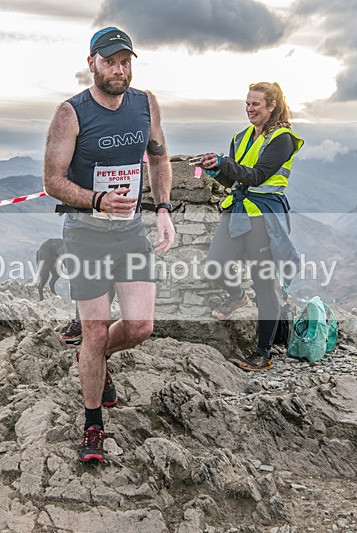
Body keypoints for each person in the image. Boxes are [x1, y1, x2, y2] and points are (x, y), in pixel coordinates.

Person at [43, 27, 175, 463]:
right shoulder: (70, 113)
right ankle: (93, 424)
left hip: (131, 232)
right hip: (86, 234)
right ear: (92, 64)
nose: (119, 70)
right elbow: (52, 181)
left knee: (139, 327)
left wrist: (163, 209)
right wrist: (97, 199)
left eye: (125, 62)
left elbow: (158, 156)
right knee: (96, 330)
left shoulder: (145, 104)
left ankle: (95, 359)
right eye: (110, 62)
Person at [196, 82, 303, 371]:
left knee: (264, 283)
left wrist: (223, 162)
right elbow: (235, 180)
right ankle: (237, 296)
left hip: (264, 215)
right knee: (214, 265)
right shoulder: (240, 137)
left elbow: (256, 176)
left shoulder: (283, 138)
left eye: (256, 104)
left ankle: (263, 353)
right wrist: (216, 169)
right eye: (247, 104)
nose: (250, 109)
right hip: (238, 209)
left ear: (272, 105)